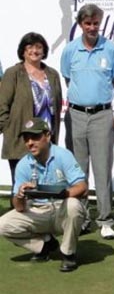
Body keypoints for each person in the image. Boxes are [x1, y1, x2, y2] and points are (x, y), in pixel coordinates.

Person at [60, 3, 114, 240]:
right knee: (78, 168)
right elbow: (67, 77)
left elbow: (113, 80)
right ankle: (82, 217)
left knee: (102, 167)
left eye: (96, 23)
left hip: (102, 114)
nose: (92, 27)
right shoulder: (70, 50)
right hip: (75, 114)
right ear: (81, 24)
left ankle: (105, 219)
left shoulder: (111, 49)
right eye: (88, 23)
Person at [0, 118, 87, 272]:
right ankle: (44, 245)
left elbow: (82, 187)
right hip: (37, 211)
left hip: (61, 209)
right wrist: (20, 195)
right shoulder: (23, 164)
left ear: (47, 135)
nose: (30, 143)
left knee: (74, 205)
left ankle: (68, 254)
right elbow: (19, 208)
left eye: (35, 137)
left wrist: (62, 193)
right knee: (3, 225)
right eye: (26, 139)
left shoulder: (63, 155)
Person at [0, 32, 63, 185]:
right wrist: (8, 128)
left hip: (45, 141)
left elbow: (58, 104)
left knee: (44, 185)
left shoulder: (52, 74)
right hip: (21, 139)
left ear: (44, 51)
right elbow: (2, 104)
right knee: (21, 186)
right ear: (23, 51)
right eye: (30, 47)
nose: (34, 51)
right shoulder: (13, 73)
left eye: (38, 47)